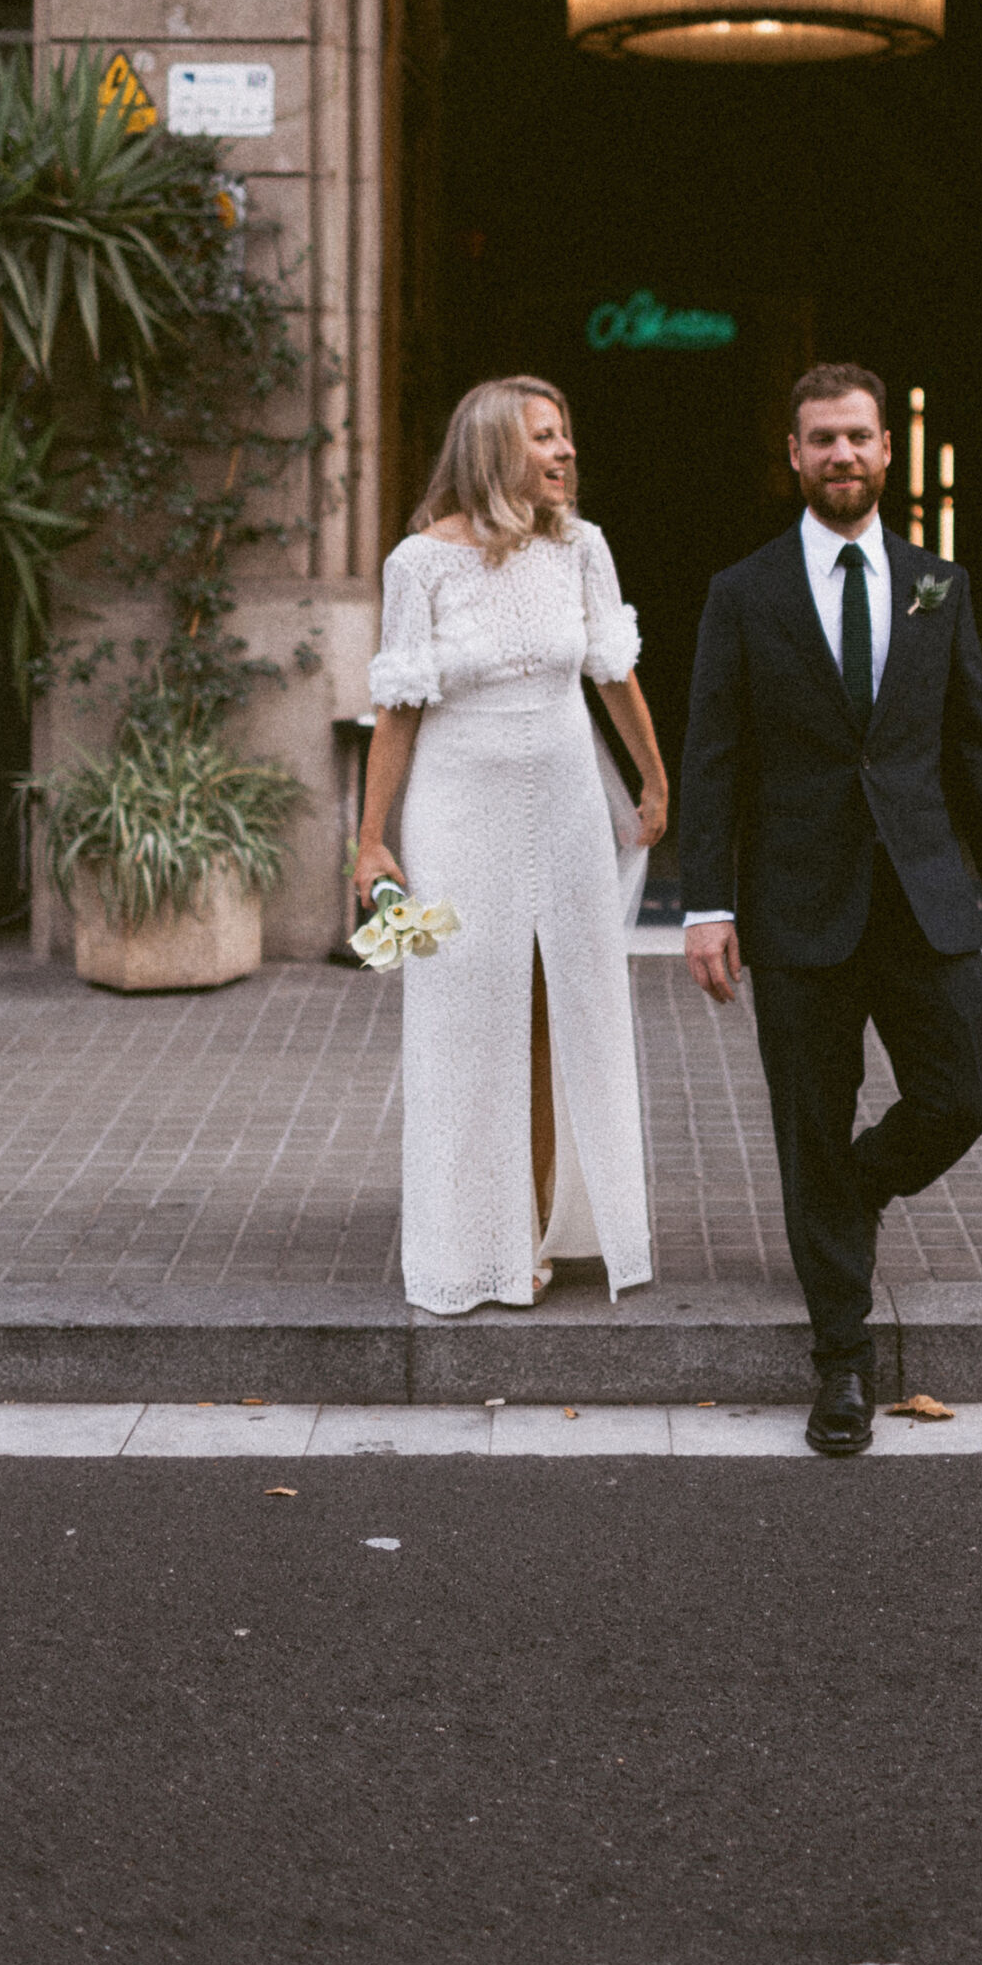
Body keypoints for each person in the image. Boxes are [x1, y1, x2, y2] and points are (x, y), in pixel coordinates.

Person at [680, 364, 982, 1456]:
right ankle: (841, 1368)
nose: (841, 455)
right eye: (820, 440)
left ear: (889, 451)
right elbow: (714, 760)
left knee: (971, 1088)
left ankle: (844, 1187)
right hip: (795, 906)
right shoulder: (743, 594)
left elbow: (974, 744)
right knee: (807, 1112)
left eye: (857, 438)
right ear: (792, 456)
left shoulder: (940, 584)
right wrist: (706, 904)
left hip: (923, 897)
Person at [355, 377, 665, 1315]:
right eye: (544, 436)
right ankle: (469, 1242)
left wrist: (654, 777)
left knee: (561, 1005)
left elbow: (615, 671)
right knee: (466, 1018)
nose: (566, 451)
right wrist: (370, 840)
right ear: (495, 450)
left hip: (565, 803)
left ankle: (538, 1224)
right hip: (459, 811)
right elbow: (398, 709)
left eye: (566, 433)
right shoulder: (420, 564)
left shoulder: (582, 550)